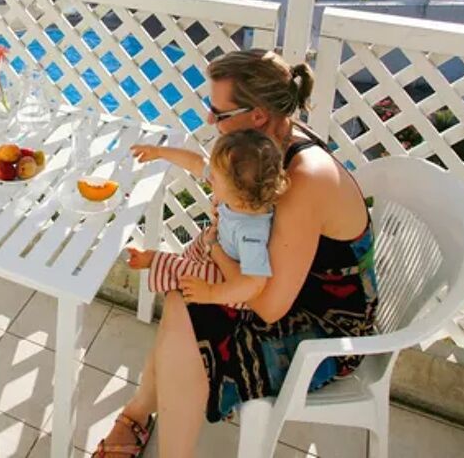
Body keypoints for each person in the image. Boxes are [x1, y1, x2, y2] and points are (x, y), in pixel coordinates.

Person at [94, 49, 378, 458]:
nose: (210, 120)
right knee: (185, 298)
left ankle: (151, 427)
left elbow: (270, 308)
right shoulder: (262, 150)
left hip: (325, 323)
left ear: (259, 115)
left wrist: (213, 249)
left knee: (188, 304)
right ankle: (142, 414)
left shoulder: (304, 179)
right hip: (282, 283)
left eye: (219, 112)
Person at [127, 129, 288, 308]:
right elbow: (196, 163)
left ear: (239, 196)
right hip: (217, 242)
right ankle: (176, 262)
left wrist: (210, 293)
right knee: (198, 246)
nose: (209, 177)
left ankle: (154, 260)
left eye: (214, 178)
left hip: (232, 282)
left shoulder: (250, 233)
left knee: (189, 273)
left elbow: (254, 284)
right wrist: (159, 152)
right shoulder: (241, 195)